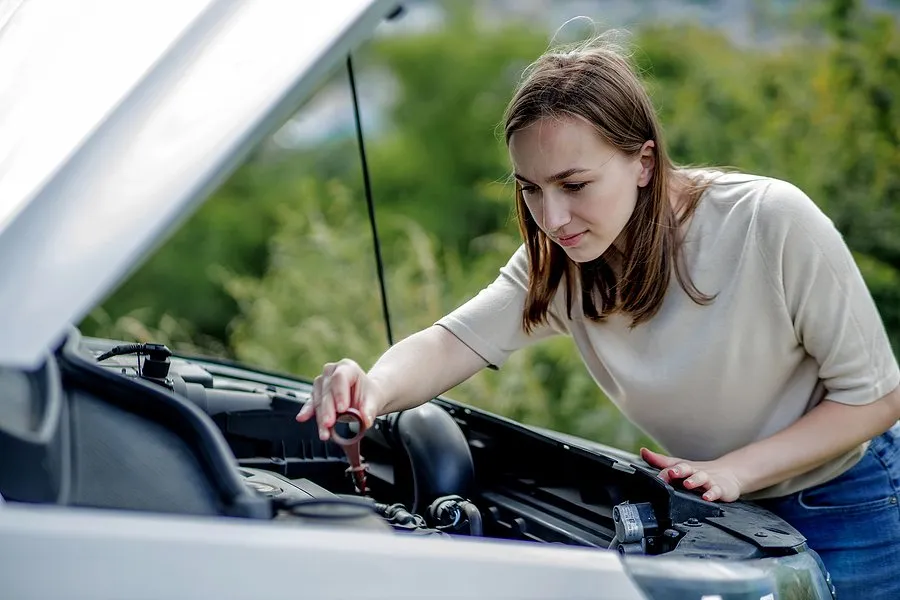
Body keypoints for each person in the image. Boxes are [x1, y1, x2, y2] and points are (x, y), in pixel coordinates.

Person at [296, 33, 900, 598]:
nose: (552, 218)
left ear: (643, 162)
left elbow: (875, 398)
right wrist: (371, 388)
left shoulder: (768, 221)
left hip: (848, 499)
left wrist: (733, 473)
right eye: (530, 189)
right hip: (722, 513)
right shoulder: (559, 263)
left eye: (575, 184)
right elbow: (448, 344)